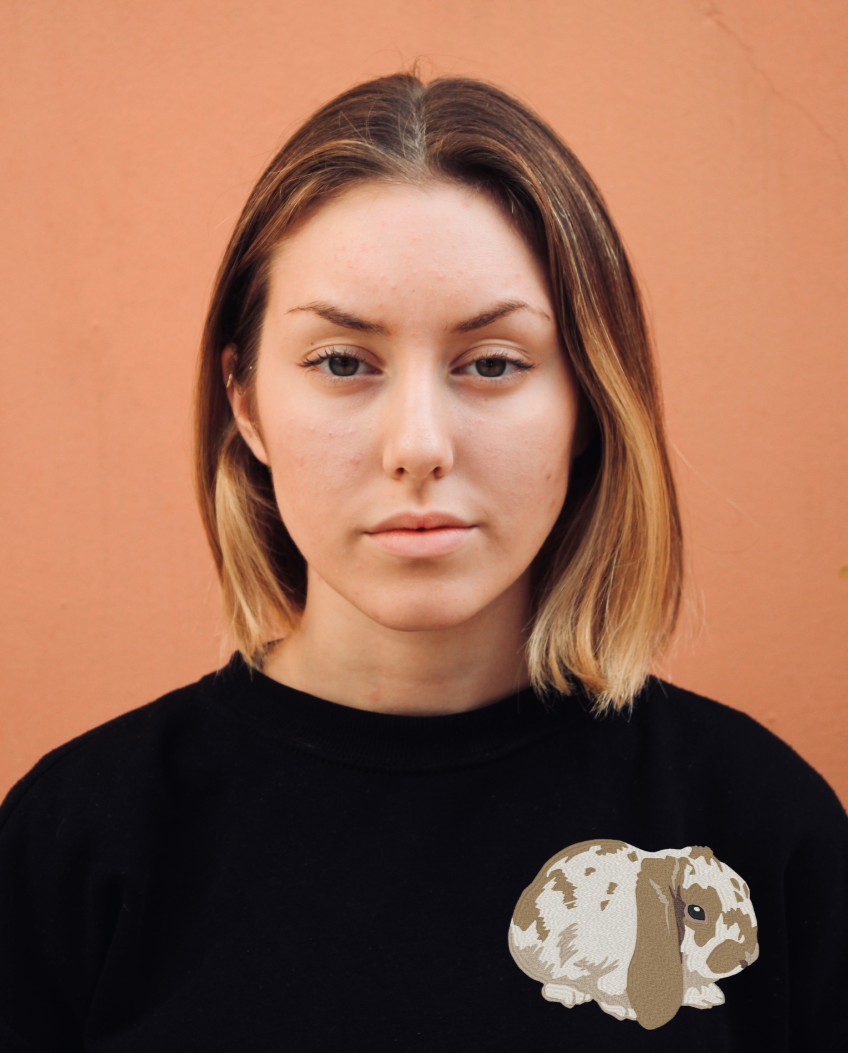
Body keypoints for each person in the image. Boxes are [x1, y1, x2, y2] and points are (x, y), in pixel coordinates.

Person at [0, 72, 845, 1052]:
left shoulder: (752, 824)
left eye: (490, 362)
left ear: (586, 402)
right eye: (342, 362)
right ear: (243, 402)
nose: (417, 444)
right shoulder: (78, 844)